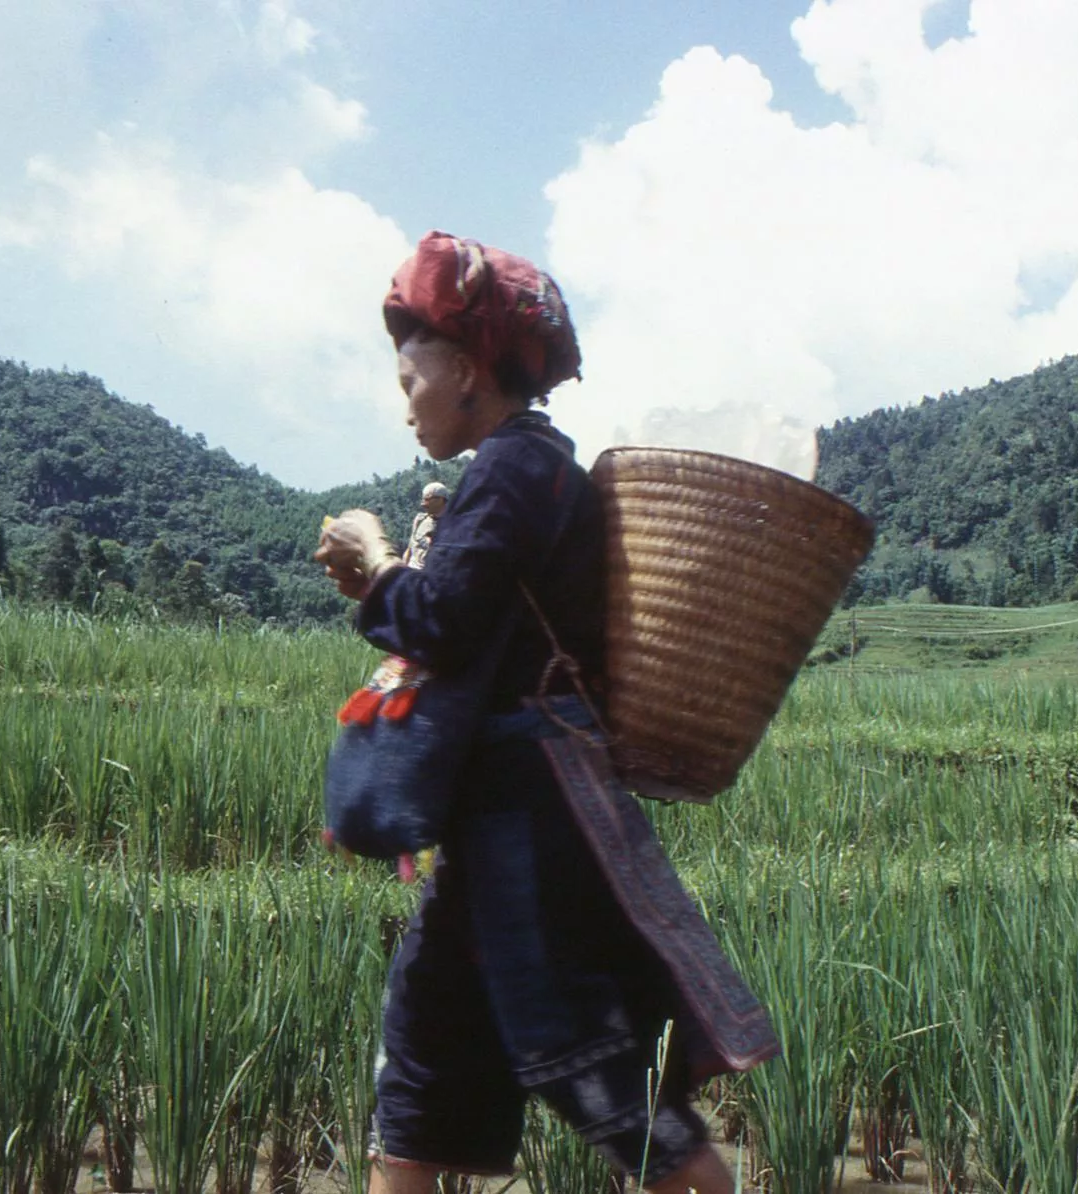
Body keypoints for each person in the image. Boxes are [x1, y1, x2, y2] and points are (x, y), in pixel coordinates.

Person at [315, 232, 777, 1194]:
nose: (404, 404)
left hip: (531, 819)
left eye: (412, 381)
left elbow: (443, 622)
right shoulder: (523, 471)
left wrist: (374, 569)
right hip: (497, 815)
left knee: (589, 1062)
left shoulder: (519, 468)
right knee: (426, 1046)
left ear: (471, 371)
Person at [402, 480, 448, 568]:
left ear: (440, 499)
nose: (423, 504)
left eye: (427, 499)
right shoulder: (420, 520)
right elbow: (409, 550)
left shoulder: (451, 526)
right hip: (411, 573)